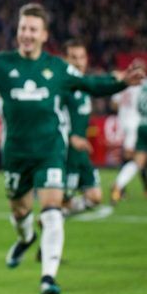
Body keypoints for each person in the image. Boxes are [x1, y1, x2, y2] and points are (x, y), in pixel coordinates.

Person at [0, 3, 144, 294]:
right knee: (20, 211)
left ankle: (48, 278)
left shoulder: (57, 68)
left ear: (44, 35)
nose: (27, 34)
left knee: (53, 209)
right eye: (23, 29)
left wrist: (120, 82)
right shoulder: (1, 64)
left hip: (50, 151)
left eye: (33, 29)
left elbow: (90, 84)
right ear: (17, 32)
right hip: (17, 154)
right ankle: (26, 237)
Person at [60, 39, 102, 215]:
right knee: (63, 200)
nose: (78, 62)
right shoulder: (61, 87)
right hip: (65, 154)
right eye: (73, 57)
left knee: (95, 196)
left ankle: (56, 216)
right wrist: (70, 137)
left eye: (82, 57)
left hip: (80, 154)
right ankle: (53, 218)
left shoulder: (84, 86)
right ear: (65, 60)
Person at [110, 77, 147, 202]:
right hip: (137, 123)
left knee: (138, 161)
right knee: (134, 159)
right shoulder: (141, 84)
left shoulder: (124, 82)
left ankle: (119, 185)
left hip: (138, 125)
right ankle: (119, 186)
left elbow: (114, 104)